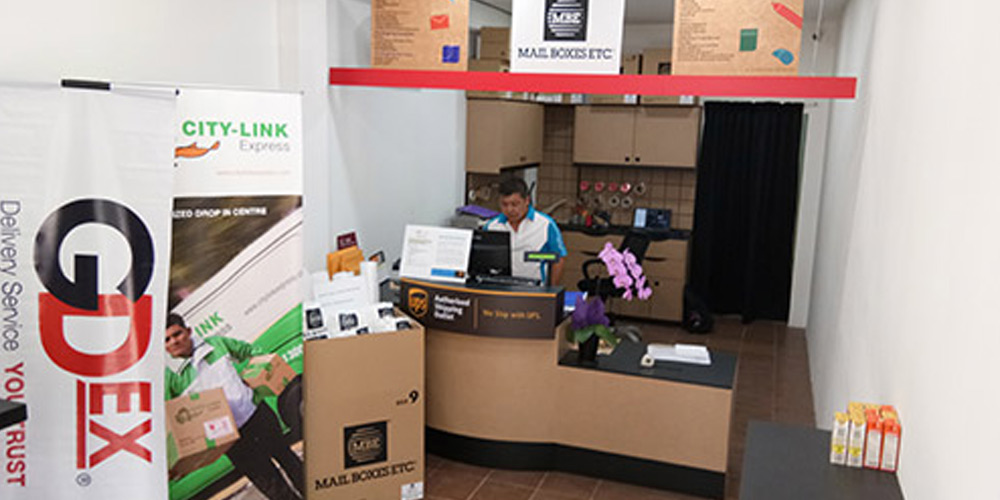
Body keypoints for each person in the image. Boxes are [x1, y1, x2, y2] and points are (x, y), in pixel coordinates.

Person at [164, 313, 304, 499]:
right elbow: (171, 418)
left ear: (188, 331)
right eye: (167, 339)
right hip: (231, 439)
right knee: (271, 485)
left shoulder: (216, 344)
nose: (174, 341)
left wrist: (253, 378)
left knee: (290, 461)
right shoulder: (171, 378)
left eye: (177, 334)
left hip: (257, 416)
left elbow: (250, 351)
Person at [483, 177, 567, 285]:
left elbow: (559, 259)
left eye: (515, 204)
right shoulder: (491, 226)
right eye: (504, 204)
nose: (510, 210)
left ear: (527, 201)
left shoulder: (546, 225)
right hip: (501, 288)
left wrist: (551, 290)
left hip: (535, 289)